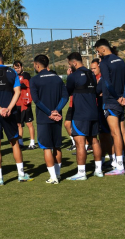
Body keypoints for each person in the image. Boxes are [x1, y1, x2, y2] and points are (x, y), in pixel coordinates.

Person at [0, 48, 33, 185]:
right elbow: (17, 92)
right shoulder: (11, 72)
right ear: (2, 57)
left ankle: (0, 178)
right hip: (10, 113)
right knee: (14, 142)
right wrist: (9, 108)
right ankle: (21, 174)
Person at [30, 55, 68, 184]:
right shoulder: (57, 79)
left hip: (44, 118)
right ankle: (58, 174)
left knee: (47, 148)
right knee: (57, 146)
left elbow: (36, 100)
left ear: (37, 65)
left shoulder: (34, 80)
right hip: (57, 118)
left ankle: (53, 177)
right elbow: (65, 97)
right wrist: (56, 110)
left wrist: (49, 112)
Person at [65, 52, 103, 180]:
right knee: (94, 140)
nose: (69, 66)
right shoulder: (91, 74)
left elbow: (66, 92)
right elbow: (96, 91)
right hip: (93, 112)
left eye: (70, 64)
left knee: (80, 142)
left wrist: (69, 76)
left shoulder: (73, 75)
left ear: (74, 63)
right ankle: (98, 170)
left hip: (80, 114)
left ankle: (81, 173)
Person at [94, 39, 125, 175]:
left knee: (115, 133)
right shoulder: (120, 60)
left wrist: (117, 97)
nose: (98, 54)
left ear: (102, 49)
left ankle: (119, 166)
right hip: (121, 101)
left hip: (111, 101)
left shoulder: (105, 62)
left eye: (97, 51)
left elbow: (106, 83)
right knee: (122, 132)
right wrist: (123, 96)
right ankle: (122, 159)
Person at [91, 59, 115, 169]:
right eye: (91, 68)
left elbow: (97, 91)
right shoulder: (93, 78)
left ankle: (113, 159)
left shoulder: (102, 78)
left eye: (94, 68)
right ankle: (104, 159)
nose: (92, 70)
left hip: (103, 108)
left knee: (107, 135)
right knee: (102, 136)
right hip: (97, 109)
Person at [13, 60, 36, 149]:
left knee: (29, 123)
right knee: (18, 124)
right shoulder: (14, 76)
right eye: (15, 68)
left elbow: (25, 84)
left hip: (25, 103)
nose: (17, 70)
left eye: (18, 67)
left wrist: (15, 85)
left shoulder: (26, 75)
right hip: (17, 103)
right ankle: (21, 142)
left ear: (22, 67)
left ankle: (32, 143)